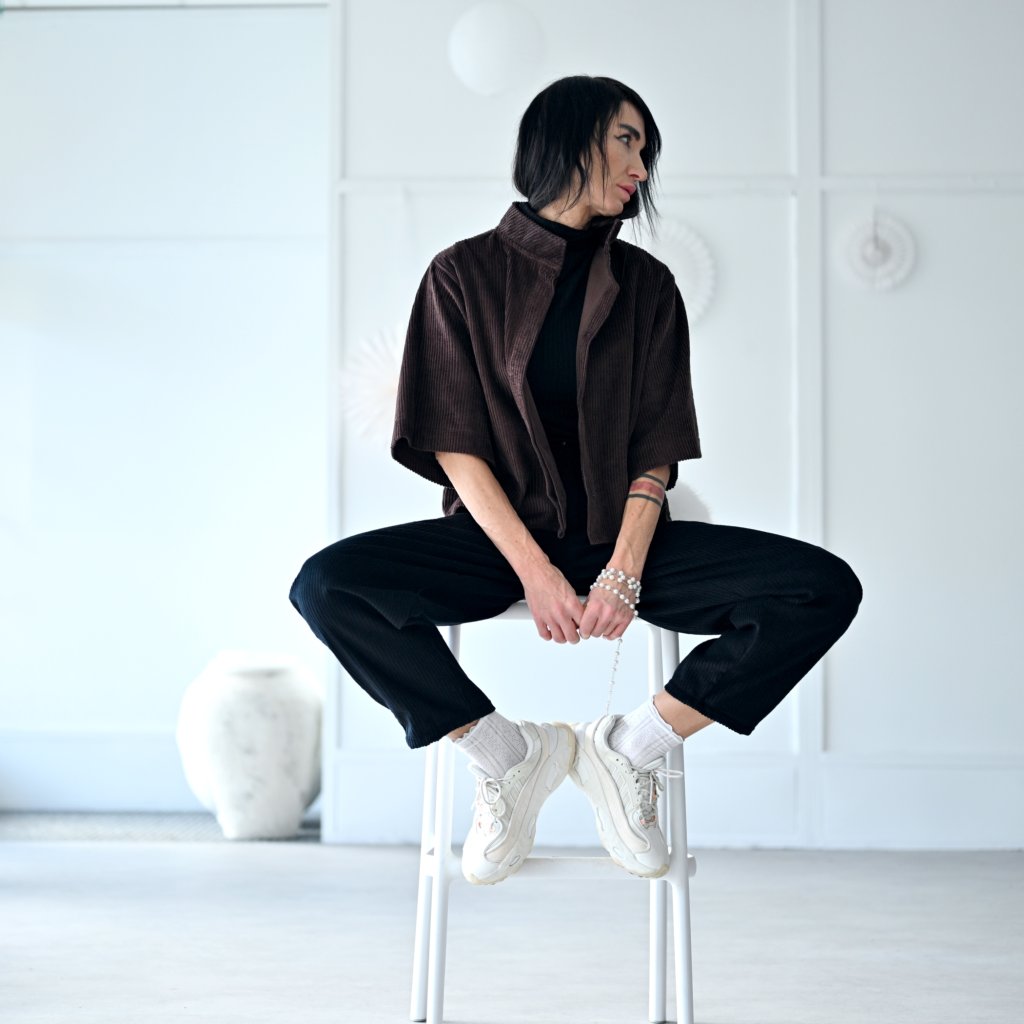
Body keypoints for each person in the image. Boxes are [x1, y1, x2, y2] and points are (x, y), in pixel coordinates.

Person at [289, 75, 862, 885]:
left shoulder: (649, 287)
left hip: (623, 541)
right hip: (494, 543)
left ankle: (628, 749)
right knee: (327, 587)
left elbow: (656, 450)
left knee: (821, 588)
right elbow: (456, 445)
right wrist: (534, 571)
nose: (642, 166)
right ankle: (506, 754)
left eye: (646, 149)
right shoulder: (460, 276)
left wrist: (623, 569)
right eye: (627, 140)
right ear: (567, 138)